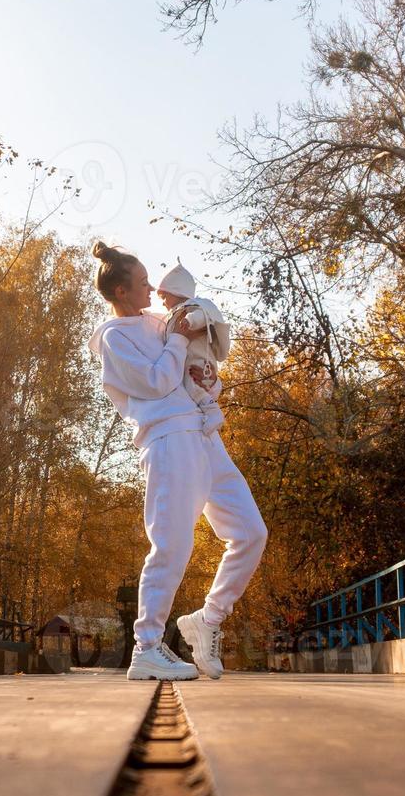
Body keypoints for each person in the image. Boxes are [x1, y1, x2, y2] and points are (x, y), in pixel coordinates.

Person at [85, 241, 268, 681]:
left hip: (204, 433)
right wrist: (181, 342)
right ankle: (147, 647)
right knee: (172, 544)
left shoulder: (155, 321)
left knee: (250, 533)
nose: (153, 288)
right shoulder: (115, 338)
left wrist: (208, 375)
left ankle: (206, 620)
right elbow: (157, 380)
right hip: (168, 438)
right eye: (143, 283)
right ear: (120, 292)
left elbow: (192, 367)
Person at [154, 259, 231, 434]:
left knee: (194, 382)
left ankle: (212, 411)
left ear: (177, 292)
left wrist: (190, 321)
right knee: (192, 382)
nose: (163, 302)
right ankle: (210, 411)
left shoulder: (191, 307)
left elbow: (202, 316)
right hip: (188, 361)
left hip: (197, 356)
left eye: (165, 296)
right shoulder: (168, 317)